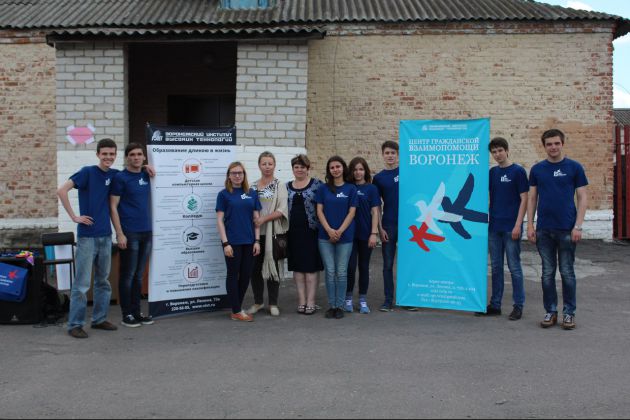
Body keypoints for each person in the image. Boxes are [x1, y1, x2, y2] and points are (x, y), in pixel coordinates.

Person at [57, 138, 121, 339]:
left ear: (115, 155)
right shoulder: (87, 172)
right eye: (105, 154)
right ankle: (75, 324)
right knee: (82, 284)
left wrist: (146, 167)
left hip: (105, 236)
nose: (108, 157)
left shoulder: (114, 174)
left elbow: (133, 173)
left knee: (103, 281)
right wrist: (74, 217)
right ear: (98, 154)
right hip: (87, 237)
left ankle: (99, 319)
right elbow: (61, 190)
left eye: (112, 154)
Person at [527, 129, 588, 330]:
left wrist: (578, 226)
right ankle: (550, 311)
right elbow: (532, 198)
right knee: (547, 273)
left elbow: (582, 197)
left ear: (562, 144)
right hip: (544, 230)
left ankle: (569, 313)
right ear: (544, 146)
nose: (553, 147)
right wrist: (530, 224)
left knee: (567, 272)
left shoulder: (574, 167)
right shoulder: (537, 170)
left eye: (556, 143)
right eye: (549, 144)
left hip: (567, 230)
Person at [478, 137, 529, 321]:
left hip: (511, 227)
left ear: (507, 151)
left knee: (514, 267)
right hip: (494, 227)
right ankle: (495, 304)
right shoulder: (492, 173)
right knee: (496, 267)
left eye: (500, 150)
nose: (497, 154)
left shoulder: (518, 171)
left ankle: (518, 306)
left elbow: (524, 199)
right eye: (494, 152)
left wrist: (518, 224)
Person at [110, 143, 154, 328]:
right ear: (127, 157)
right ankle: (126, 314)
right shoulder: (120, 178)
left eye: (139, 154)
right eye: (132, 155)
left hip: (147, 232)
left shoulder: (146, 175)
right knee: (127, 275)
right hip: (129, 233)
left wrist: (146, 167)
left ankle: (137, 312)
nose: (136, 157)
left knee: (138, 276)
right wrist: (119, 233)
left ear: (143, 157)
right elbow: (113, 207)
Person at [216, 162, 262, 322]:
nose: (237, 175)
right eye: (234, 173)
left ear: (244, 175)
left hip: (249, 241)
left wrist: (257, 240)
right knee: (232, 274)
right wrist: (225, 243)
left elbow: (256, 219)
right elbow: (220, 221)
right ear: (229, 175)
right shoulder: (223, 195)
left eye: (240, 173)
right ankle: (236, 310)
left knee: (246, 275)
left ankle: (237, 308)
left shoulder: (251, 193)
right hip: (232, 242)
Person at [247, 152, 289, 317]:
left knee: (273, 269)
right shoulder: (252, 186)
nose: (267, 167)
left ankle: (273, 303)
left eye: (270, 164)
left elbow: (282, 210)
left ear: (274, 165)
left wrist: (263, 219)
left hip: (273, 233)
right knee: (254, 269)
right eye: (264, 164)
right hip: (255, 234)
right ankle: (258, 302)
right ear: (259, 165)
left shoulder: (279, 185)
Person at [316, 156, 358, 319]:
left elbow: (352, 212)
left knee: (341, 272)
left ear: (343, 168)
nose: (335, 170)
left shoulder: (351, 189)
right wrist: (329, 230)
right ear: (329, 170)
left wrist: (339, 231)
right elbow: (319, 211)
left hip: (345, 236)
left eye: (338, 166)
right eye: (332, 167)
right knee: (330, 271)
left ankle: (339, 306)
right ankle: (332, 305)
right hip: (325, 236)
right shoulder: (323, 189)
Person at [373, 141, 411, 312]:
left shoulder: (407, 172)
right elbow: (376, 206)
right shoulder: (378, 178)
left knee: (407, 263)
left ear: (398, 155)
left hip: (408, 225)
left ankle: (408, 299)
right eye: (387, 153)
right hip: (389, 224)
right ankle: (388, 300)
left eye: (393, 153)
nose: (390, 156)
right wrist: (380, 228)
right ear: (383, 155)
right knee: (388, 264)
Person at [286, 154, 324, 315]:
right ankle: (301, 301)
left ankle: (311, 301)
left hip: (311, 232)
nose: (299, 169)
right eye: (296, 167)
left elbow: (325, 206)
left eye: (302, 167)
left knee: (310, 269)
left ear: (308, 168)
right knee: (298, 269)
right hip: (293, 233)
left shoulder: (318, 185)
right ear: (293, 169)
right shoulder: (287, 187)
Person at [344, 157, 380, 314]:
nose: (358, 172)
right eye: (355, 169)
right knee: (350, 267)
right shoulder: (347, 187)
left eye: (361, 169)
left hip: (366, 234)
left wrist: (374, 233)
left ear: (365, 171)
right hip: (349, 234)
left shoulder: (371, 189)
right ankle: (348, 299)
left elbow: (375, 212)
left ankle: (363, 300)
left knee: (364, 267)